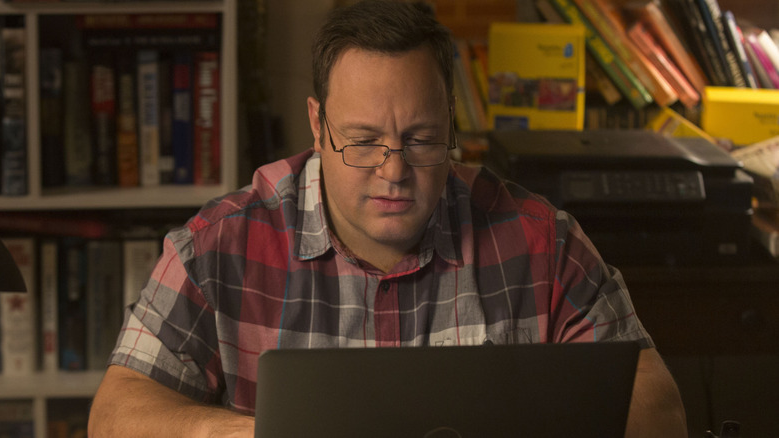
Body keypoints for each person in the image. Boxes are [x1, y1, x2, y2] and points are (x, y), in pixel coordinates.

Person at [88, 1, 687, 437]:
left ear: (451, 122)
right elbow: (115, 415)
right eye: (363, 140)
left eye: (421, 139)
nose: (393, 169)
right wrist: (251, 434)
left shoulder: (542, 242)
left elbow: (658, 408)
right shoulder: (218, 246)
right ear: (317, 125)